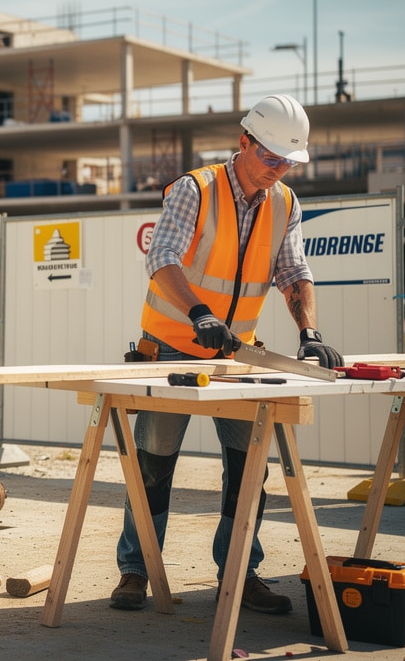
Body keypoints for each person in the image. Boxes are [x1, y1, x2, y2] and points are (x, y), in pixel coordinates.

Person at [111, 94, 343, 615]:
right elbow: (162, 257)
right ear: (244, 143)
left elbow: (293, 272)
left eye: (288, 162)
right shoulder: (197, 189)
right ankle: (135, 569)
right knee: (153, 466)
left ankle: (240, 571)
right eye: (271, 158)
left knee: (248, 467)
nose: (278, 170)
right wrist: (198, 312)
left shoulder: (285, 202)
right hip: (172, 348)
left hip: (237, 356)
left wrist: (308, 331)